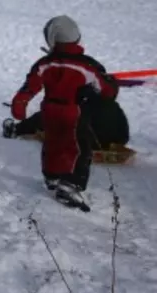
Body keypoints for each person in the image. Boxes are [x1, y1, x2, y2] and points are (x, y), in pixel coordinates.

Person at [7, 16, 118, 211]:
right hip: (74, 112)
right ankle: (71, 183)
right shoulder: (86, 65)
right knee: (79, 147)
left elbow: (29, 86)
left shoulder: (45, 64)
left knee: (53, 142)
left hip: (49, 110)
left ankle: (51, 175)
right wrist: (112, 85)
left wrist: (20, 104)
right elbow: (106, 90)